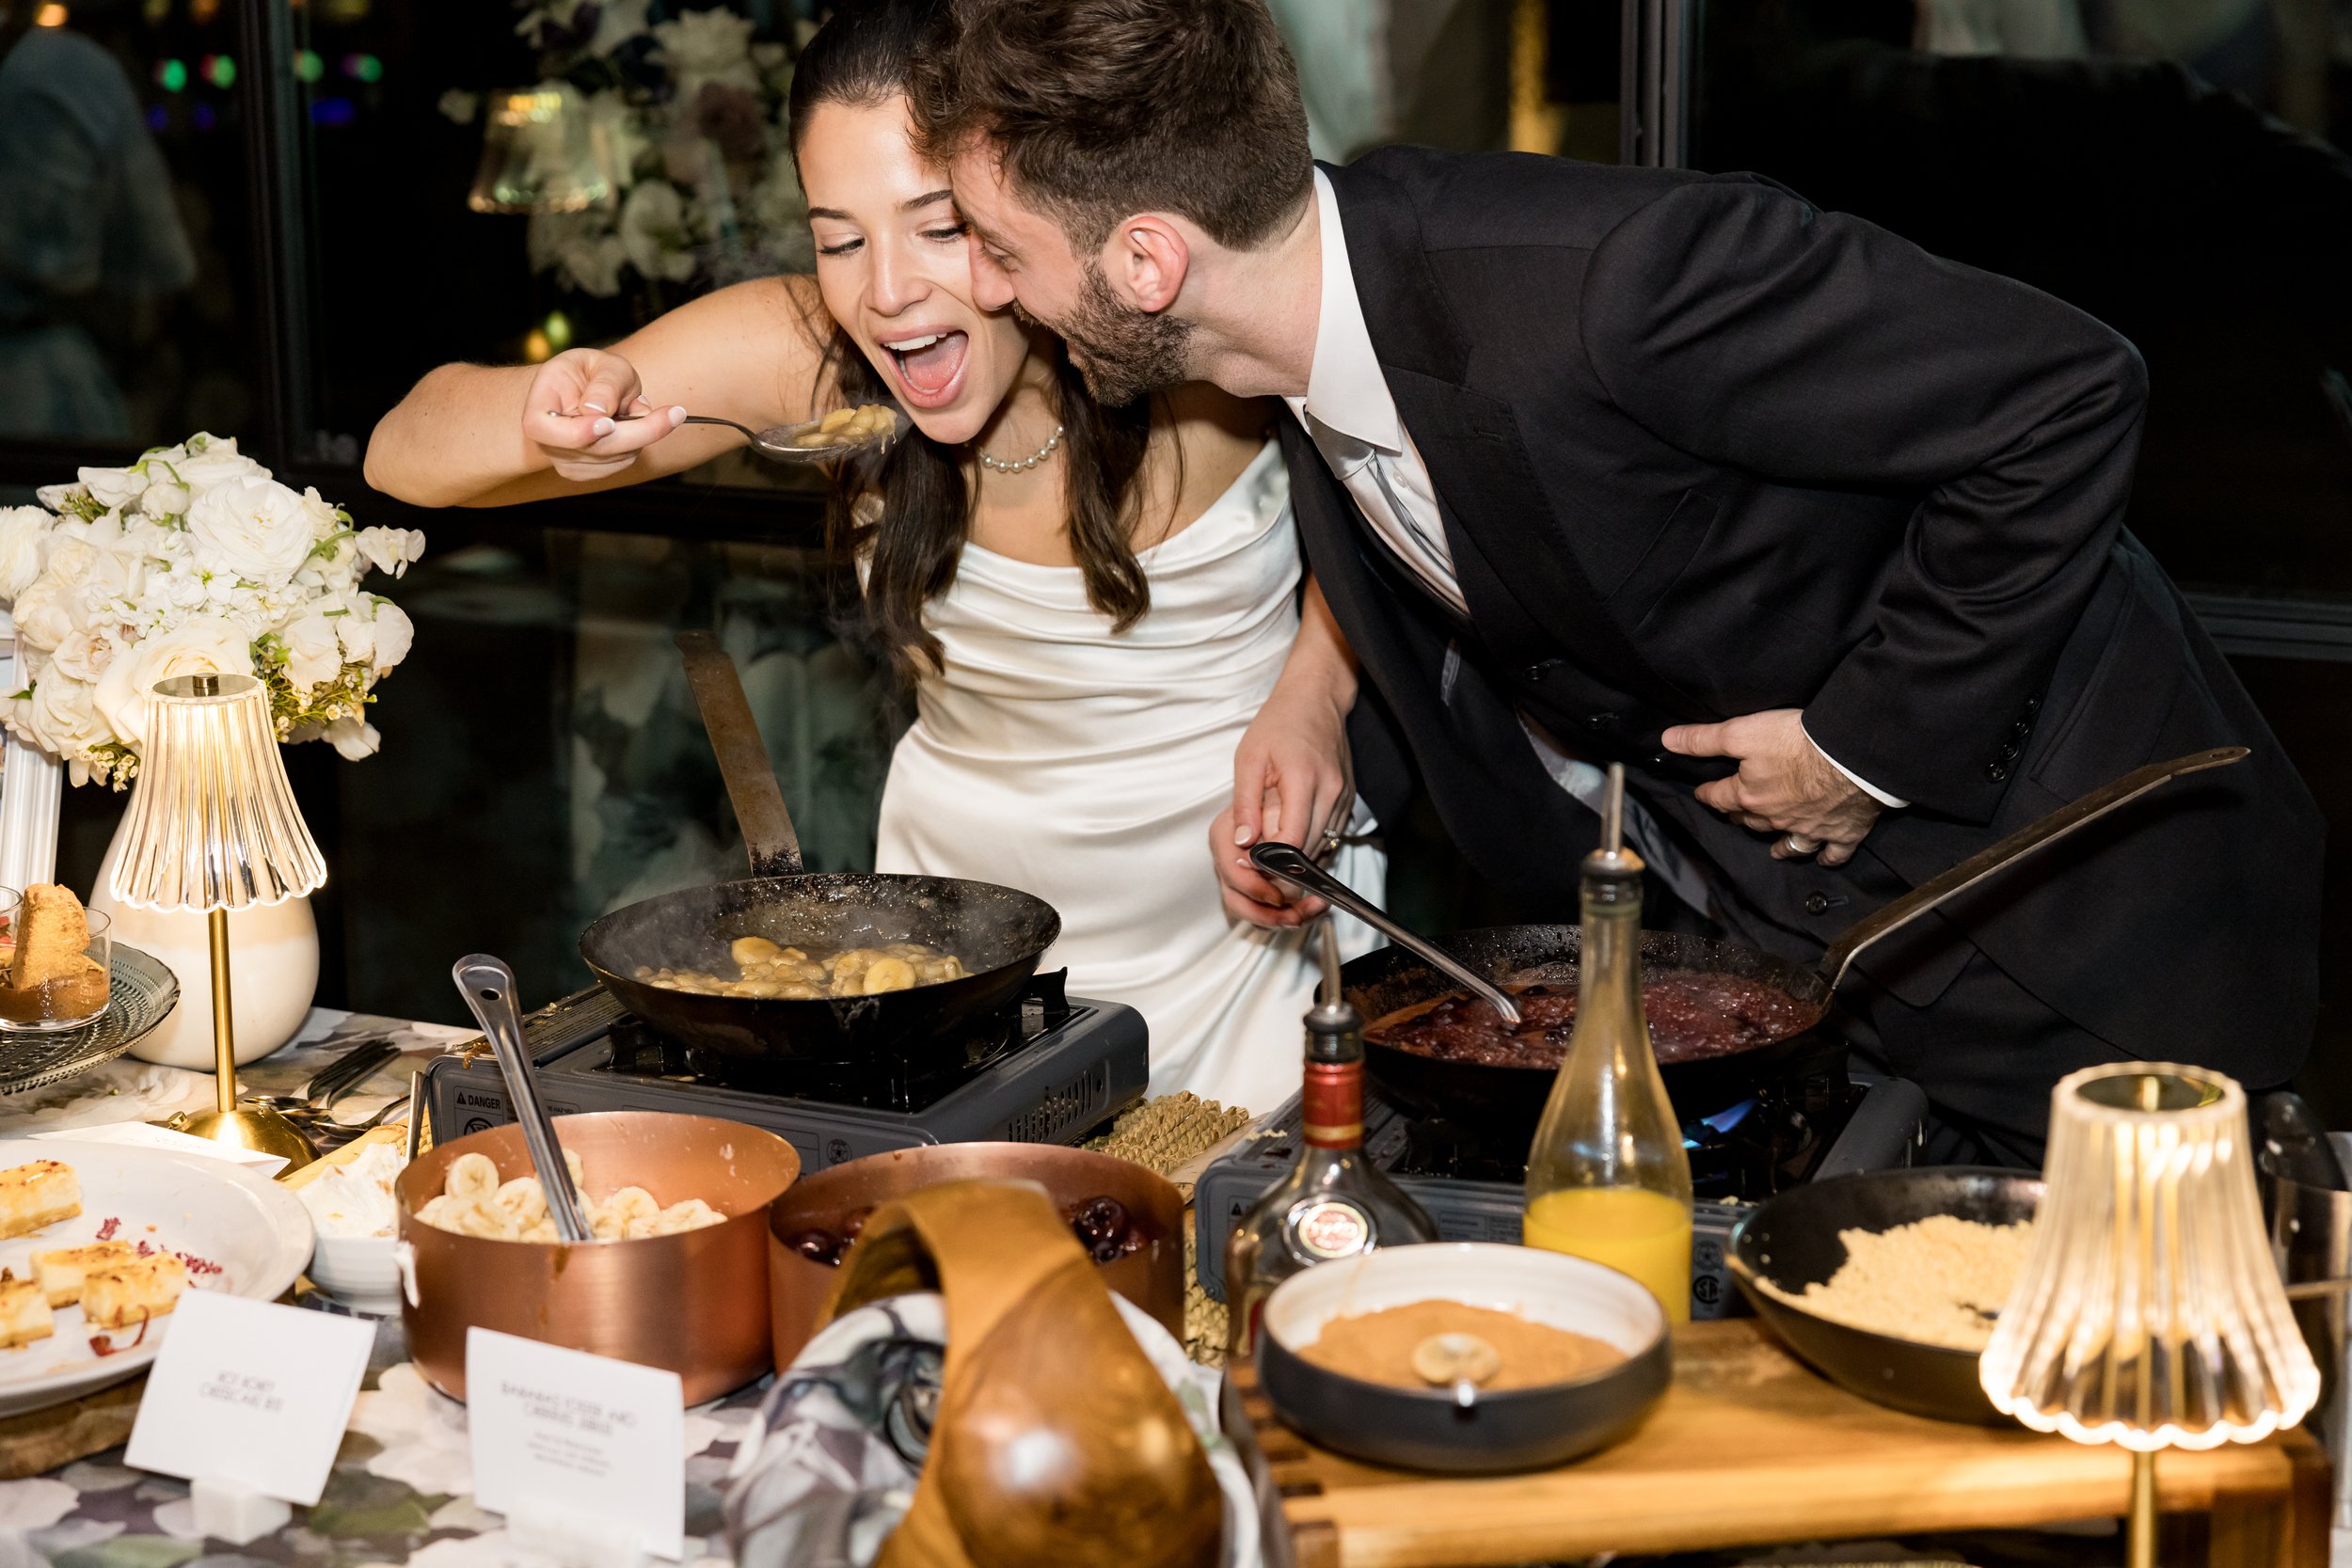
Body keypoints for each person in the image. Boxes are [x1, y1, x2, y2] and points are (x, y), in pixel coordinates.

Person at [902, 0, 2326, 1164]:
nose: (992, 288)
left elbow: (2064, 396)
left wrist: (1861, 747)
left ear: (1149, 260)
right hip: (1818, 977)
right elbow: (1508, 574)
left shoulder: (1611, 284)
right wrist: (1321, 708)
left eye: (1003, 250)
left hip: (2087, 928)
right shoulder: (1296, 332)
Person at [364, 0, 1381, 1117]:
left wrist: (1315, 691)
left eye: (939, 226)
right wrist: (546, 414)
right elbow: (402, 454)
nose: (885, 291)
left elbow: (1394, 486)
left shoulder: (1171, 318)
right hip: (957, 972)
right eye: (840, 239)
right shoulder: (815, 356)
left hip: (1251, 938)